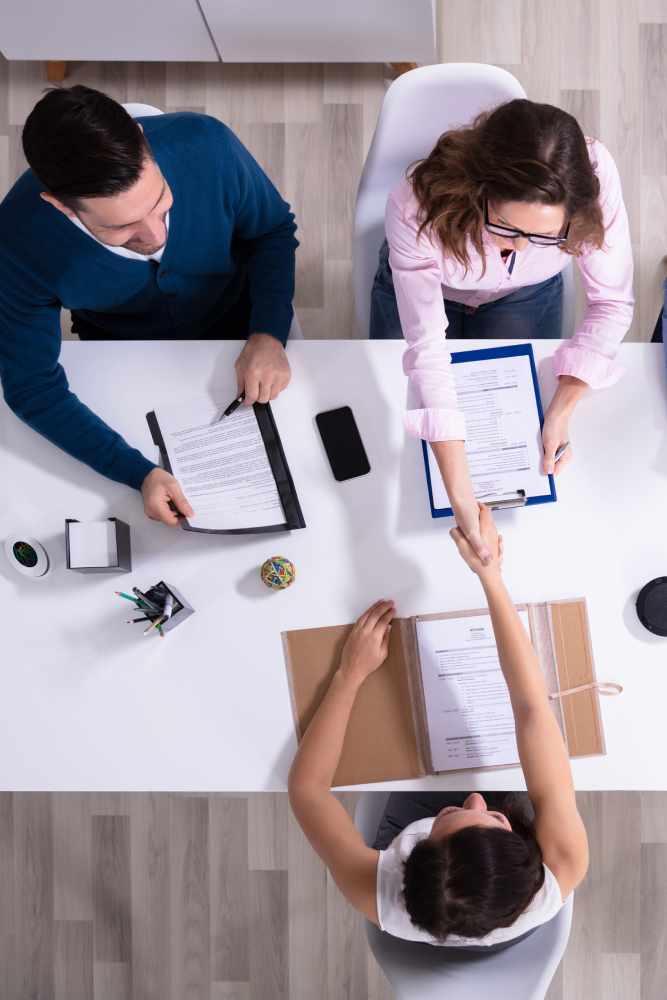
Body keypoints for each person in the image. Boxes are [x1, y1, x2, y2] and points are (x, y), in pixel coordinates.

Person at [288, 505, 589, 950]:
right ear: (525, 853)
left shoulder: (377, 893)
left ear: (407, 859)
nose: (475, 797)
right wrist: (491, 576)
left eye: (447, 817)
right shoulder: (563, 866)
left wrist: (349, 675)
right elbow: (532, 708)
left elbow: (306, 790)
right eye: (492, 815)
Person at [0, 85, 298, 526]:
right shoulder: (17, 243)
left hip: (242, 322)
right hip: (123, 351)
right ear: (61, 206)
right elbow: (31, 388)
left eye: (159, 203)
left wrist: (268, 333)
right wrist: (137, 473)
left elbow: (272, 231)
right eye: (122, 228)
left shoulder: (208, 144)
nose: (156, 237)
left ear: (143, 141)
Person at [370, 99, 633, 563]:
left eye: (546, 236)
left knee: (526, 405)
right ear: (478, 188)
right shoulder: (414, 205)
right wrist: (460, 496)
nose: (519, 247)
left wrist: (563, 407)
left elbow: (611, 302)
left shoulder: (596, 176)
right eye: (506, 227)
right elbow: (428, 347)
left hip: (526, 296)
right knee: (393, 430)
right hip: (431, 286)